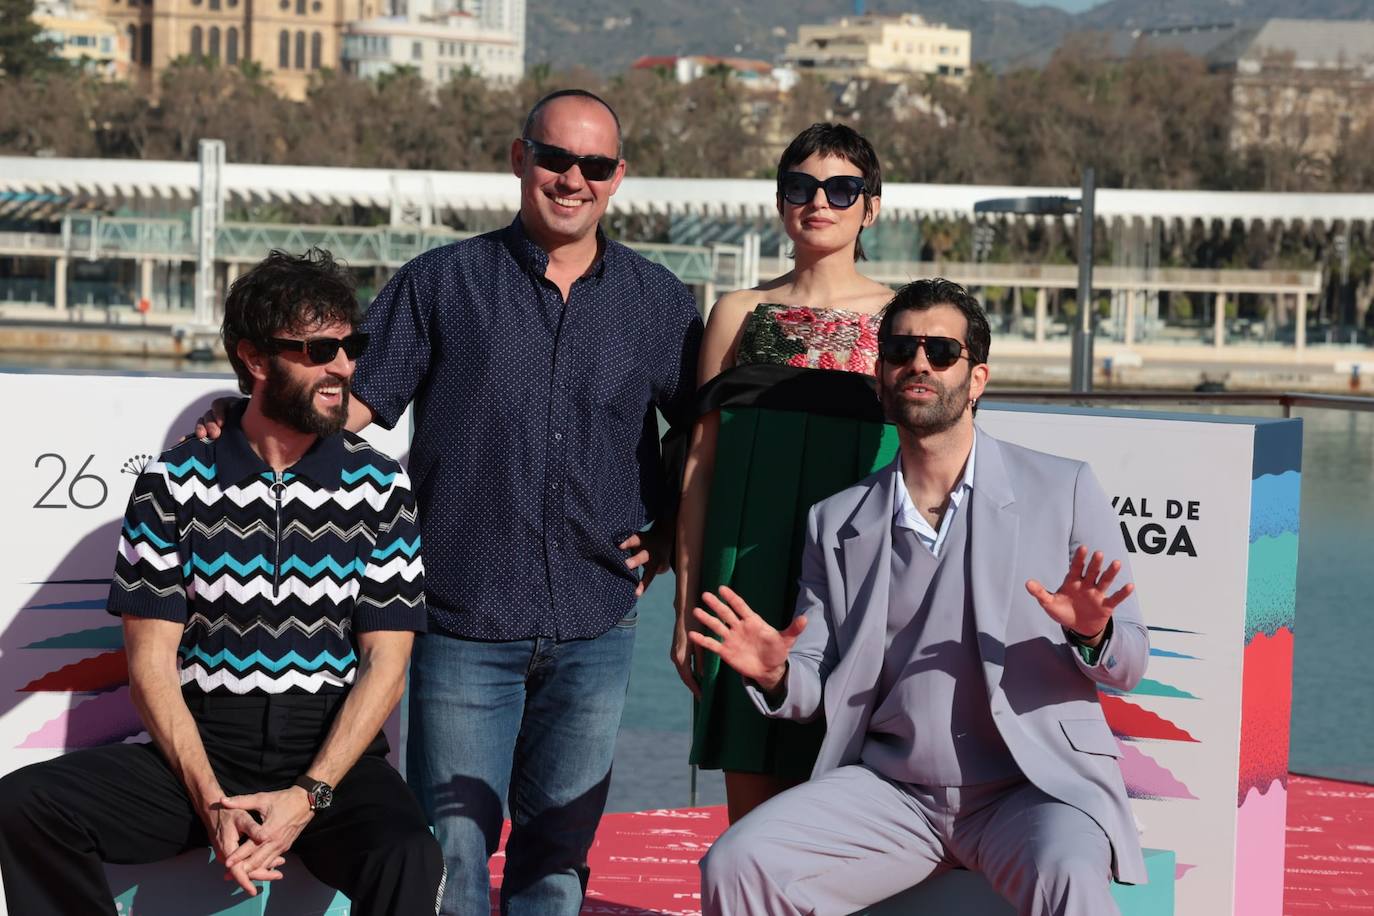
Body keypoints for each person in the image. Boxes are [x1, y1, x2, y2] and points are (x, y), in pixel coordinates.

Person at [198, 88, 702, 915]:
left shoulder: (659, 302)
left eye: (596, 165)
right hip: (462, 620)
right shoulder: (440, 283)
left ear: (620, 178)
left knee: (560, 856)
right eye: (555, 158)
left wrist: (671, 531)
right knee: (451, 859)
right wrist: (249, 409)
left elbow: (701, 436)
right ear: (519, 158)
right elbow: (351, 405)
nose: (573, 178)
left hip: (599, 617)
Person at [0, 249, 444, 915]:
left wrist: (307, 797)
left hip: (329, 760)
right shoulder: (173, 483)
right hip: (204, 749)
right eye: (319, 349)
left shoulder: (381, 486)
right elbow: (150, 659)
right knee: (25, 807)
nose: (345, 368)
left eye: (351, 345)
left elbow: (387, 663)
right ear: (256, 359)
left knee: (408, 853)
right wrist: (211, 801)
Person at [692, 278, 1149, 916]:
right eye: (902, 350)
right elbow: (811, 684)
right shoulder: (837, 521)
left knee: (1069, 875)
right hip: (892, 795)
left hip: (1033, 789)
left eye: (940, 350)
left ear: (977, 377)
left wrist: (1091, 634)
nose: (919, 364)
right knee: (737, 862)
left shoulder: (1063, 487)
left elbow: (1130, 663)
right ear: (880, 375)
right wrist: (774, 675)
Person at [674, 123, 894, 822]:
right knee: (754, 804)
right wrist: (685, 606)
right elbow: (698, 469)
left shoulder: (901, 322)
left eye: (841, 188)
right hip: (747, 580)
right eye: (800, 186)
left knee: (856, 794)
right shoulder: (737, 314)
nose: (819, 202)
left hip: (864, 582)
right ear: (780, 201)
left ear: (872, 206)